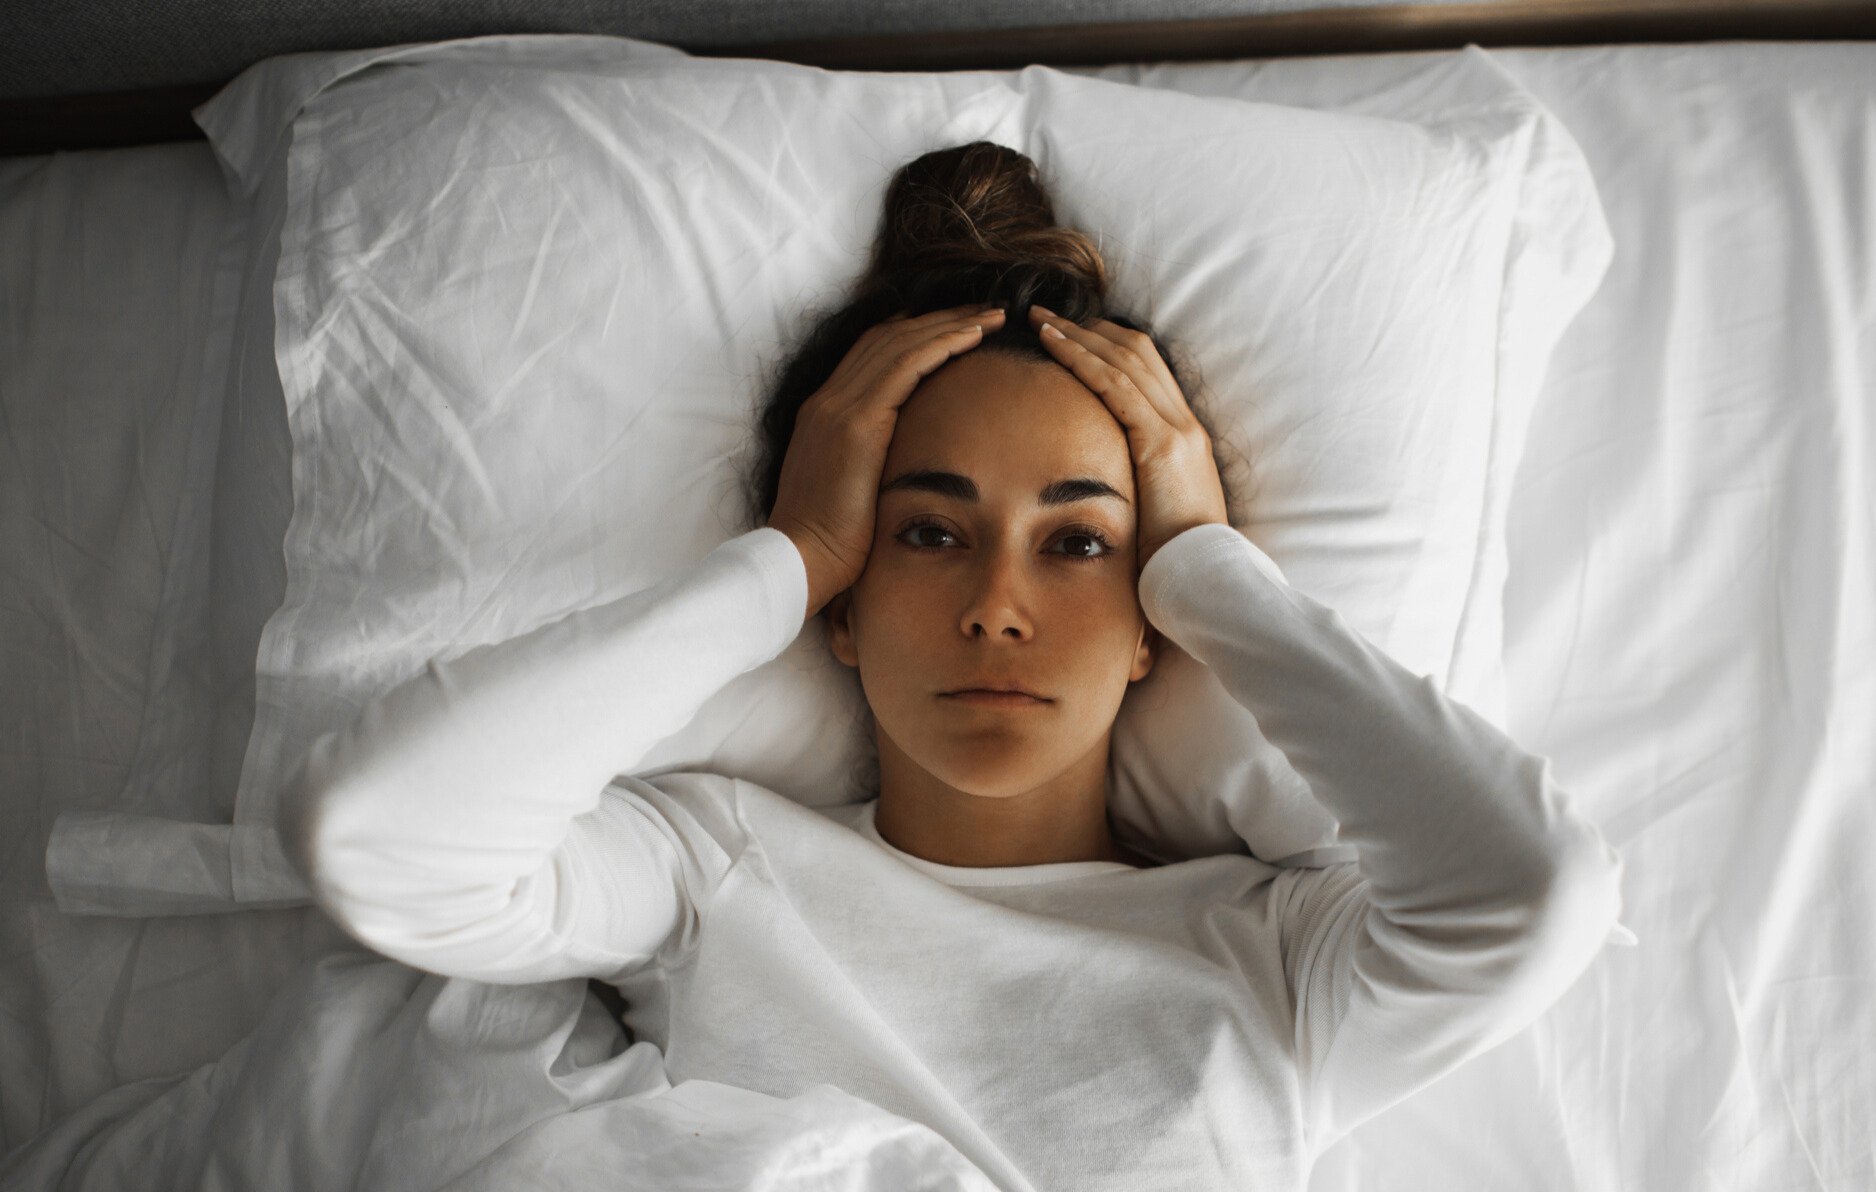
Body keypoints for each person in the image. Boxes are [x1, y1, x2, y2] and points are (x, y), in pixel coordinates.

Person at [279, 141, 1625, 1191]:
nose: (996, 606)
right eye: (927, 532)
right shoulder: (720, 871)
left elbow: (1533, 891)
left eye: (1080, 543)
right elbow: (379, 841)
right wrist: (785, 557)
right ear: (848, 607)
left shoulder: (1278, 952)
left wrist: (1211, 566)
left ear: (1155, 608)